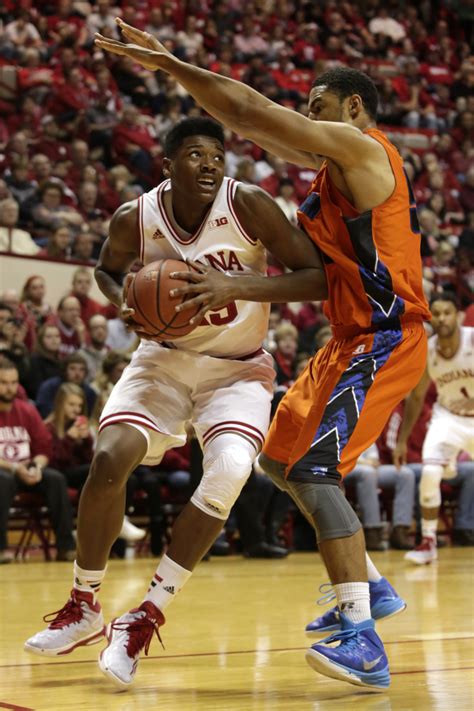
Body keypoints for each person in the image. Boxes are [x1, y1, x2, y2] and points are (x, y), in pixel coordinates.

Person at [94, 25, 430, 690]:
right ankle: (369, 582)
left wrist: (167, 63)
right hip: (347, 338)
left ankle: (362, 638)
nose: (306, 116)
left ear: (353, 111)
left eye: (316, 105)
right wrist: (193, 89)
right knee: (275, 458)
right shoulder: (330, 168)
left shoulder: (363, 152)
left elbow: (251, 113)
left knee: (313, 471)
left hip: (386, 338)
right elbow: (250, 125)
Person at [24, 117, 327, 686]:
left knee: (232, 471)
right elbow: (106, 271)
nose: (210, 164)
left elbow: (317, 278)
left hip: (237, 371)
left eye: (217, 155)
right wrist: (124, 303)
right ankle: (84, 601)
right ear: (167, 165)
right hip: (162, 361)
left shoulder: (250, 206)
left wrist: (236, 286)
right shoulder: (135, 217)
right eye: (194, 154)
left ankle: (144, 614)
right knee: (110, 458)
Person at [394, 292, 474, 564]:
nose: (441, 318)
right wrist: (403, 440)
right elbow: (416, 397)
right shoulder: (427, 349)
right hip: (448, 417)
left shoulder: (472, 339)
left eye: (447, 312)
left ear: (458, 315)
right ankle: (428, 542)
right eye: (436, 313)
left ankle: (450, 461)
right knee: (429, 472)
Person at [0, 359, 76, 564]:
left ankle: (66, 547)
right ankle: (1, 548)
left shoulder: (27, 410)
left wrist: (37, 467)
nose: (10, 388)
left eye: (14, 382)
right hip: (5, 472)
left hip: (28, 470)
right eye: (4, 383)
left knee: (56, 479)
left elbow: (44, 448)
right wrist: (15, 467)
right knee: (2, 481)